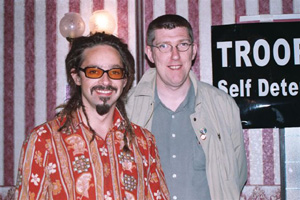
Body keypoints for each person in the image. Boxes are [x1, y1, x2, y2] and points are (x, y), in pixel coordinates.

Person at [15, 33, 169, 200]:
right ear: (76, 77)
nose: (105, 80)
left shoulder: (144, 142)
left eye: (115, 72)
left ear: (125, 80)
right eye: (94, 71)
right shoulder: (43, 140)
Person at [126, 14, 247, 200]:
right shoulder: (126, 108)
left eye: (183, 45)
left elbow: (235, 176)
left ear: (193, 51)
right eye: (164, 46)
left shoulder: (223, 105)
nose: (175, 55)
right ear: (150, 53)